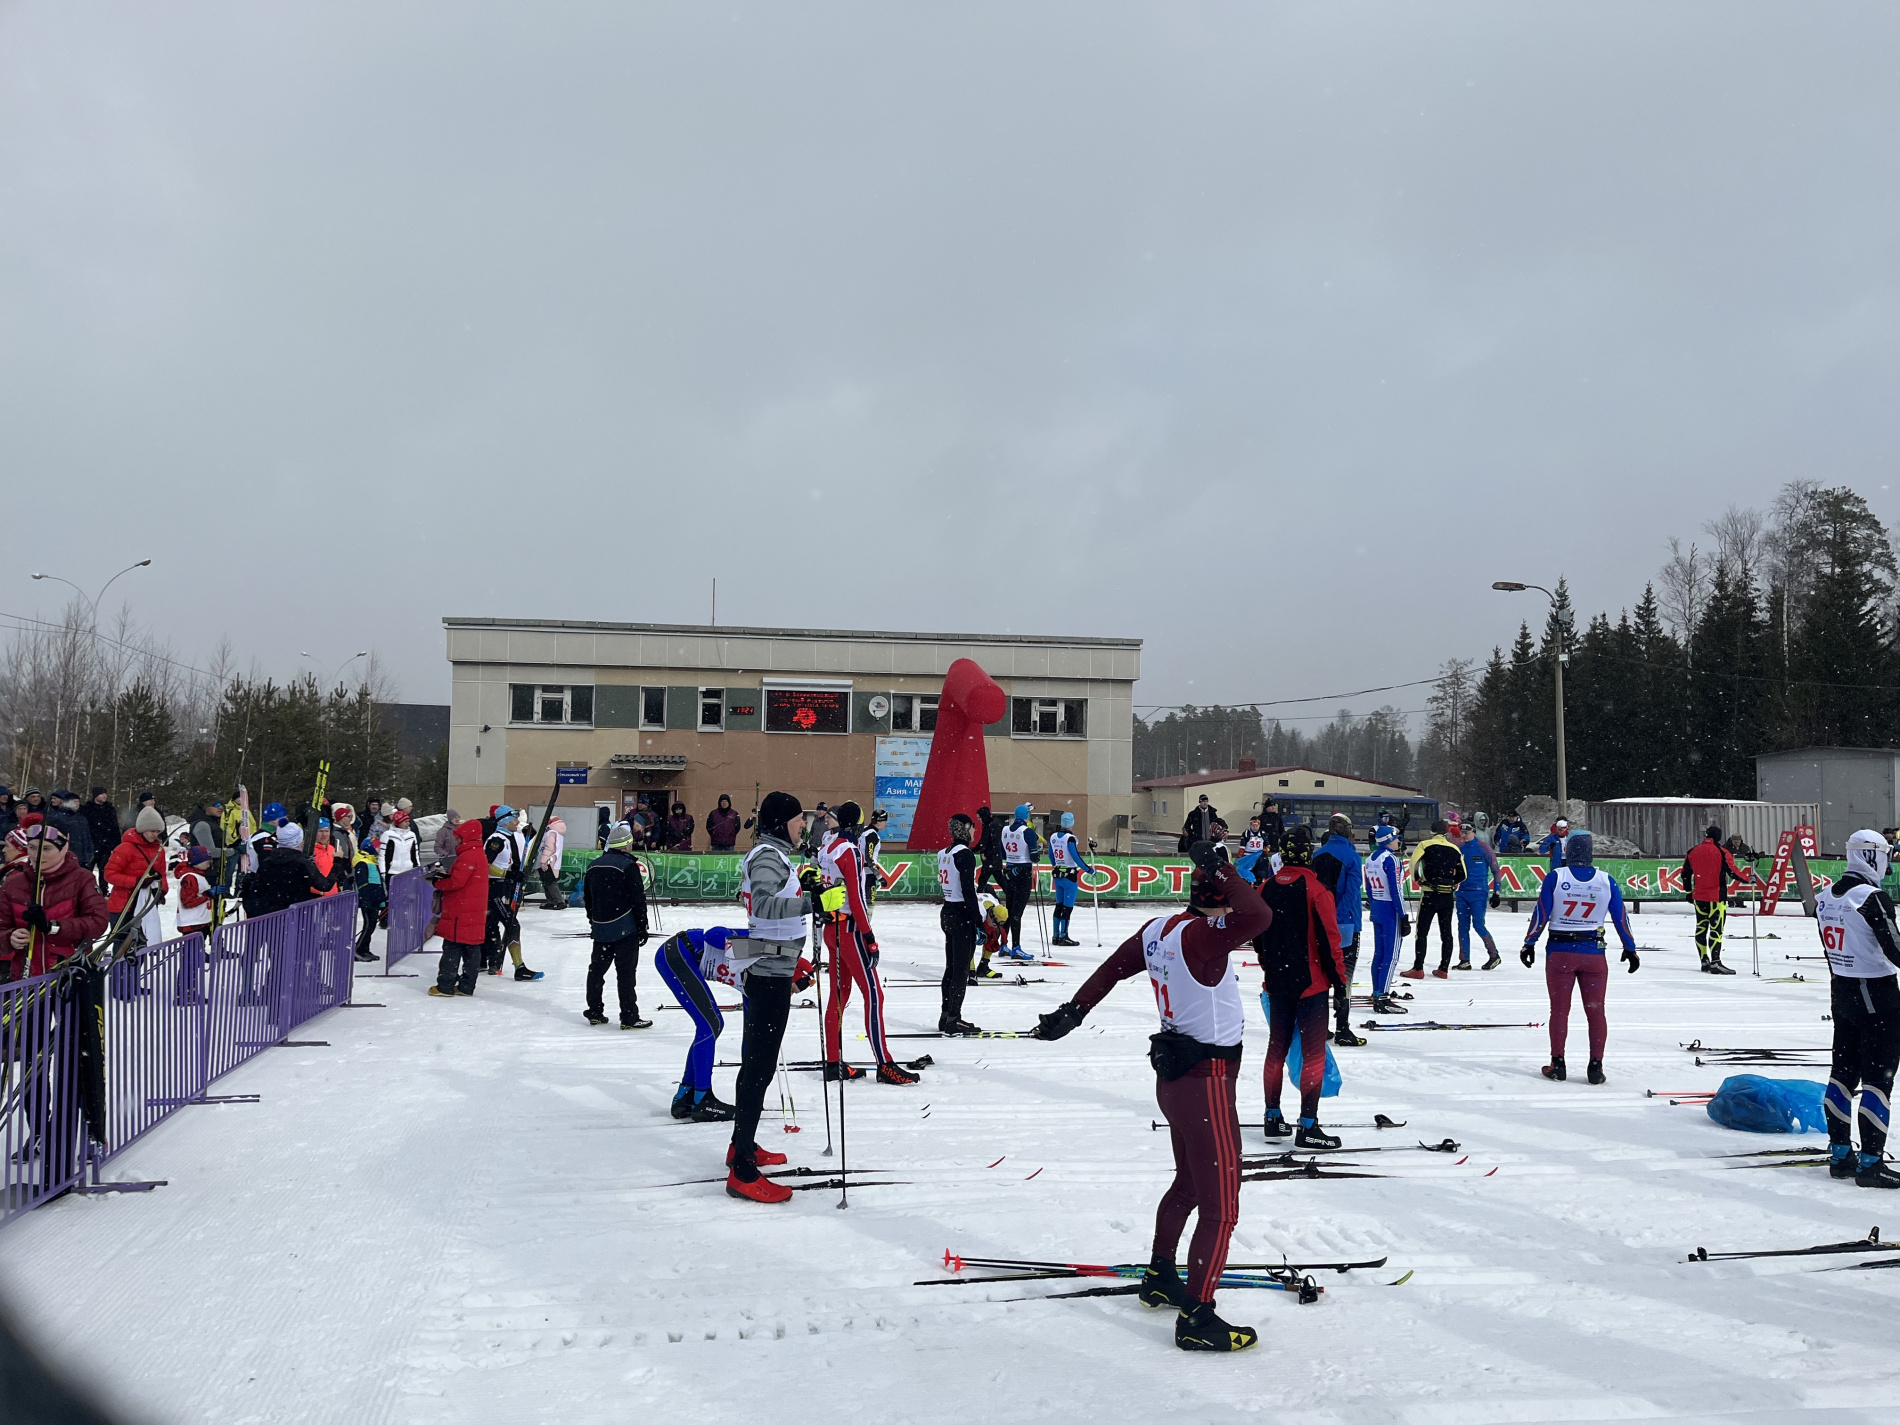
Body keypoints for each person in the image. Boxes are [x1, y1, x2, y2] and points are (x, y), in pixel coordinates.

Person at [1032, 844, 1272, 1352]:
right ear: (1219, 902)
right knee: (1222, 1204)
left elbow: (1113, 969)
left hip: (1178, 1079)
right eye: (1226, 901)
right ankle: (1197, 1317)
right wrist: (1223, 867)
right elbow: (1259, 913)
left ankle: (1162, 1273)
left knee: (1188, 1184)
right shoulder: (1203, 939)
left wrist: (1073, 1011)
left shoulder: (1158, 930)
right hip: (1204, 1078)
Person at [729, 791, 822, 1203]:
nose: (804, 825)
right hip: (767, 972)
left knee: (756, 1065)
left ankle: (741, 1147)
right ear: (782, 821)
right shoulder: (767, 854)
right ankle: (742, 1173)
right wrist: (812, 900)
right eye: (800, 819)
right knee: (759, 1068)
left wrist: (805, 887)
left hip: (771, 966)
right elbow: (764, 906)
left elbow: (751, 898)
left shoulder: (771, 854)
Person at [1815, 829, 1900, 1188]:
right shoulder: (1870, 897)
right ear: (1873, 856)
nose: (1888, 866)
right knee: (1878, 1080)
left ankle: (1839, 1155)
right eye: (1887, 857)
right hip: (1876, 993)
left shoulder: (1824, 896)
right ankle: (1870, 1163)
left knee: (1843, 1073)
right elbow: (1895, 949)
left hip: (1843, 990)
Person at [1256, 824, 1351, 1142]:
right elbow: (1330, 941)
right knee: (1313, 1054)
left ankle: (1272, 1116)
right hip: (1310, 983)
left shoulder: (1267, 887)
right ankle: (1308, 1125)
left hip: (1277, 981)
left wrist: (1268, 967)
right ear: (1308, 853)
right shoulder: (1316, 888)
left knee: (1276, 1050)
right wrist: (1340, 983)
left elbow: (1258, 935)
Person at [1520, 831, 1638, 1085]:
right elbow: (1620, 918)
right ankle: (1595, 1066)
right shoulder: (1606, 880)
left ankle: (1558, 1064)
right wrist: (1630, 948)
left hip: (1560, 952)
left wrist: (1529, 942)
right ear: (1590, 853)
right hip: (1593, 953)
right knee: (1596, 1011)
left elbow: (1541, 913)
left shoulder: (1556, 877)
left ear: (1568, 852)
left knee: (1560, 1011)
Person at [819, 801, 917, 1085]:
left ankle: (833, 1061)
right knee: (874, 995)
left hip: (831, 928)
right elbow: (858, 898)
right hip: (849, 929)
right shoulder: (850, 850)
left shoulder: (828, 847)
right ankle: (884, 1064)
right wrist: (869, 937)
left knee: (839, 996)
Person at [656, 925, 766, 1120]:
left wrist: (748, 1089)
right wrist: (759, 948)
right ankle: (703, 1099)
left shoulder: (760, 988)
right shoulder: (763, 947)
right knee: (710, 1023)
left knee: (713, 1024)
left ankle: (685, 1095)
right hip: (679, 952)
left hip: (683, 959)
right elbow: (713, 934)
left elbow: (750, 1035)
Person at [1, 815, 109, 981]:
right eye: (32, 847)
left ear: (63, 847)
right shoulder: (13, 883)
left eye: (46, 849)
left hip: (69, 977)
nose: (37, 855)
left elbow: (98, 923)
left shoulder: (82, 879)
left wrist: (54, 927)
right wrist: (10, 938)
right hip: (25, 980)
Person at [581, 822, 652, 1029]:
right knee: (626, 973)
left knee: (596, 971)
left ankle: (594, 1011)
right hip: (625, 928)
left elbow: (589, 898)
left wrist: (593, 920)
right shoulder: (628, 866)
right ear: (626, 845)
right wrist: (642, 926)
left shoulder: (594, 865)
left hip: (601, 928)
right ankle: (629, 1016)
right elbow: (638, 899)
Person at [1309, 814, 1364, 1046]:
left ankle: (1320, 1027)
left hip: (1318, 922)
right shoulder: (1351, 856)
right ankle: (1343, 1028)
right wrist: (1339, 923)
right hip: (1345, 923)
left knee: (1321, 976)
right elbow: (1351, 894)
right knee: (1344, 978)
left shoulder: (1317, 855)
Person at [429, 818, 491, 997]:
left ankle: (445, 985)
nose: (456, 840)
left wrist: (438, 882)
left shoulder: (468, 856)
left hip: (460, 910)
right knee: (472, 948)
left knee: (452, 947)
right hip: (473, 910)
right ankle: (466, 985)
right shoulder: (478, 853)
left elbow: (457, 881)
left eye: (458, 837)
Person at [1684, 824, 1756, 975]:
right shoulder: (1722, 852)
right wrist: (1748, 879)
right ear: (1719, 837)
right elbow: (1733, 871)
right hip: (1716, 897)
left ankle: (1704, 960)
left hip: (1699, 897)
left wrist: (1689, 892)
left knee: (1701, 927)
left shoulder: (1693, 851)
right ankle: (1716, 962)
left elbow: (1685, 873)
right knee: (1716, 929)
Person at [936, 813, 984, 1035]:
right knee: (960, 970)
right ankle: (954, 1019)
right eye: (972, 828)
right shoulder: (965, 854)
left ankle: (946, 1015)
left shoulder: (944, 852)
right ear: (965, 829)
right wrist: (978, 920)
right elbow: (968, 890)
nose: (974, 832)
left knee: (951, 967)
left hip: (947, 911)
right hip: (961, 913)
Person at [1401, 820, 1465, 980]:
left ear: (1431, 831)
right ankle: (1443, 969)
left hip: (1430, 893)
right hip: (1447, 896)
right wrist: (1452, 881)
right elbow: (1463, 874)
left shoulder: (1424, 845)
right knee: (1446, 933)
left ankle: (1418, 968)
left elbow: (1413, 865)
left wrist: (1419, 880)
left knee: (1422, 932)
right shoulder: (1455, 848)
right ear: (1446, 832)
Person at [482, 806, 541, 981]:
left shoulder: (508, 837)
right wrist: (507, 874)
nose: (517, 821)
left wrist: (515, 873)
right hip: (495, 887)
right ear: (505, 821)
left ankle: (490, 960)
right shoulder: (497, 840)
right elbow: (485, 864)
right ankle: (519, 967)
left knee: (492, 924)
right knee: (512, 924)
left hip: (504, 886)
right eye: (514, 818)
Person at [103, 805, 169, 952]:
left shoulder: (159, 850)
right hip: (123, 905)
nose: (155, 835)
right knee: (122, 945)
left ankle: (136, 974)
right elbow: (110, 874)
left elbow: (161, 873)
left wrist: (162, 890)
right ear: (142, 829)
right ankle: (120, 974)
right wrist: (136, 881)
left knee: (142, 943)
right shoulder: (125, 848)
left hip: (146, 903)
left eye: (158, 831)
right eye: (152, 831)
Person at [1363, 825, 1411, 1013]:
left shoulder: (1370, 858)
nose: (1398, 841)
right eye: (1396, 838)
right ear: (1388, 840)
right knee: (1391, 956)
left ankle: (1377, 991)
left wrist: (1374, 906)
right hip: (1390, 909)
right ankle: (1382, 996)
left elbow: (1368, 887)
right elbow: (1396, 890)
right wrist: (1403, 915)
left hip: (1377, 908)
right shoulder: (1391, 859)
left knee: (1379, 953)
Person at [249, 822, 340, 915]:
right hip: (299, 916)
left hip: (273, 917)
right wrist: (337, 863)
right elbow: (324, 885)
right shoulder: (302, 863)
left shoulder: (267, 862)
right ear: (298, 840)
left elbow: (255, 891)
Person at [1456, 820, 1504, 971]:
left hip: (1479, 892)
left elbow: (1496, 869)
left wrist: (1497, 892)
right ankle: (1464, 959)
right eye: (1462, 833)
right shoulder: (1459, 848)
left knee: (1478, 924)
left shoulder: (1483, 847)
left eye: (1467, 833)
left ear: (1474, 833)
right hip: (1462, 892)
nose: (1464, 835)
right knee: (1462, 926)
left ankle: (1494, 955)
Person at [1046, 811, 1095, 948]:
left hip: (1058, 874)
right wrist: (1089, 870)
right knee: (1067, 907)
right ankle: (1063, 935)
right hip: (1070, 875)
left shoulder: (1053, 836)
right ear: (1071, 823)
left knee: (1059, 905)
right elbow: (1075, 857)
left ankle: (1055, 935)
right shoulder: (1070, 838)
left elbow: (1051, 855)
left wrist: (1056, 865)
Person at [999, 803, 1040, 958]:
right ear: (1027, 817)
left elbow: (1002, 854)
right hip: (1023, 873)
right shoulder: (1027, 831)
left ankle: (1003, 945)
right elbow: (1035, 856)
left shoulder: (1004, 830)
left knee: (1009, 910)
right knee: (1017, 913)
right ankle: (1016, 947)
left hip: (1009, 872)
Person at [45, 793, 94, 883]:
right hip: (66, 857)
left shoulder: (82, 818)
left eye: (78, 802)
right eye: (74, 801)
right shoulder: (56, 818)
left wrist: (90, 852)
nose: (77, 804)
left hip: (82, 858)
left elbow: (87, 837)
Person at [537, 812, 567, 909]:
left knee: (549, 882)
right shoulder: (558, 834)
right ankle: (551, 901)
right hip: (554, 861)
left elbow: (548, 848)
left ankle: (558, 901)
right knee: (548, 881)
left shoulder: (550, 833)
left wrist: (543, 861)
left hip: (548, 861)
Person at [975, 805, 1006, 893]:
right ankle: (1011, 897)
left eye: (979, 818)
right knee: (999, 879)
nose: (979, 820)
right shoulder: (988, 826)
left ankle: (979, 896)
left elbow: (995, 844)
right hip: (992, 859)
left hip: (991, 859)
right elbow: (983, 841)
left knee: (983, 880)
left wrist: (985, 853)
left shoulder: (992, 827)